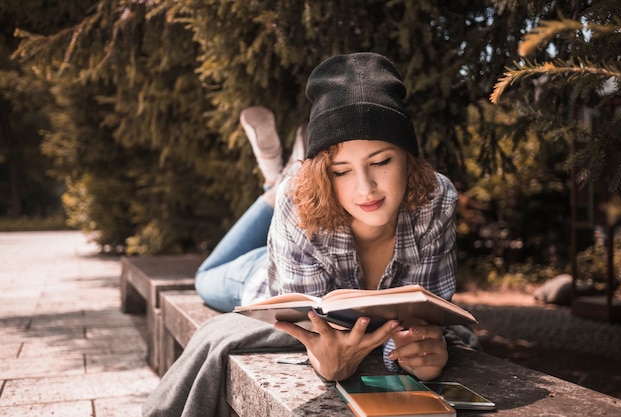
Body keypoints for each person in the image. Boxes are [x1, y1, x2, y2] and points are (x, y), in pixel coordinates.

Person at [143, 52, 470, 417]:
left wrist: (418, 353)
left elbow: (420, 321)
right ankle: (274, 180)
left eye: (380, 162)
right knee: (204, 279)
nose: (366, 189)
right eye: (341, 170)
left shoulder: (435, 199)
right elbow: (313, 328)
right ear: (322, 175)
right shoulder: (297, 203)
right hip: (264, 274)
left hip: (303, 238)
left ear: (409, 158)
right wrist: (325, 363)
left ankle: (278, 173)